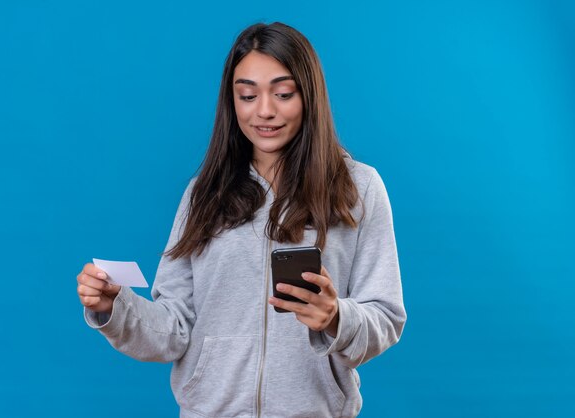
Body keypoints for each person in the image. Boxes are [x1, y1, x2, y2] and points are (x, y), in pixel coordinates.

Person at [76, 22, 406, 418]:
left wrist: (337, 317)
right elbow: (174, 328)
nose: (264, 110)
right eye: (247, 95)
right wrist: (117, 306)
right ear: (232, 101)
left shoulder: (358, 189)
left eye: (283, 94)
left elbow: (385, 317)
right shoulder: (204, 193)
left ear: (309, 95)